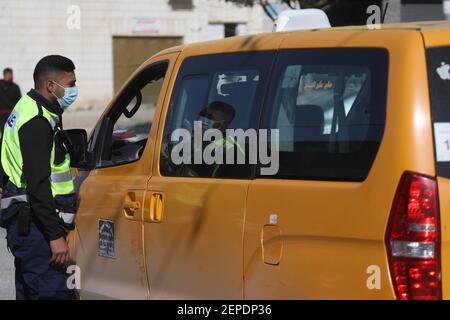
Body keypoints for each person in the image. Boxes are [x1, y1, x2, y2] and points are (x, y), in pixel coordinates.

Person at [0, 55, 79, 300]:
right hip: (37, 231)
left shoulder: (26, 105)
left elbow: (7, 152)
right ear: (51, 86)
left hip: (26, 226)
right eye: (71, 84)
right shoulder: (37, 121)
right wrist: (55, 237)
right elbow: (39, 186)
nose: (74, 90)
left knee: (29, 291)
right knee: (53, 293)